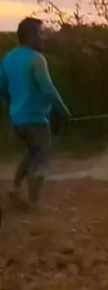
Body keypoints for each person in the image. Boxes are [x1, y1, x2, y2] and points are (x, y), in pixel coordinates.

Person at [0, 17, 71, 210]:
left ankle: (15, 189)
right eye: (41, 33)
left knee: (31, 154)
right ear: (30, 36)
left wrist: (13, 104)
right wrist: (63, 110)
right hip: (37, 119)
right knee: (41, 158)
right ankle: (34, 202)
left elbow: (2, 87)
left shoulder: (8, 58)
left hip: (17, 120)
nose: (43, 37)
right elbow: (47, 89)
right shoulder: (37, 59)